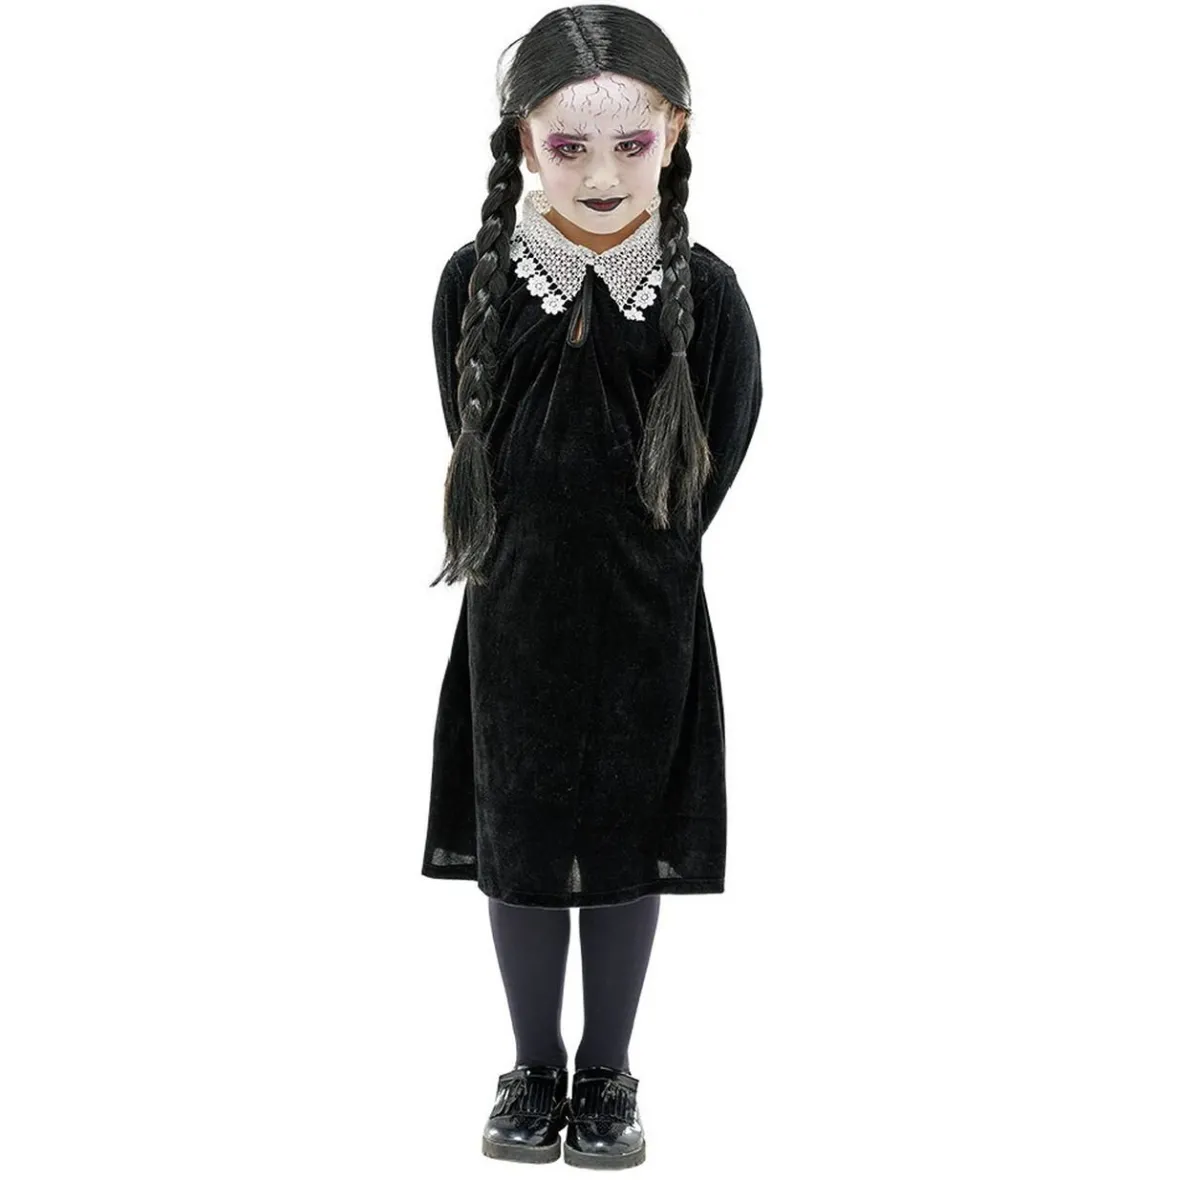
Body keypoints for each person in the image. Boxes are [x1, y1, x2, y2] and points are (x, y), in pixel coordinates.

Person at [421, 5, 763, 1168]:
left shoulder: (703, 295)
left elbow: (717, 451)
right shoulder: (476, 282)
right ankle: (533, 1067)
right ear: (524, 142)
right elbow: (469, 428)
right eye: (569, 147)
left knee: (621, 839)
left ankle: (607, 1073)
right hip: (513, 613)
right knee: (519, 837)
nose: (604, 175)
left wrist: (642, 557)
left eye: (631, 143)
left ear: (675, 132)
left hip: (644, 621)